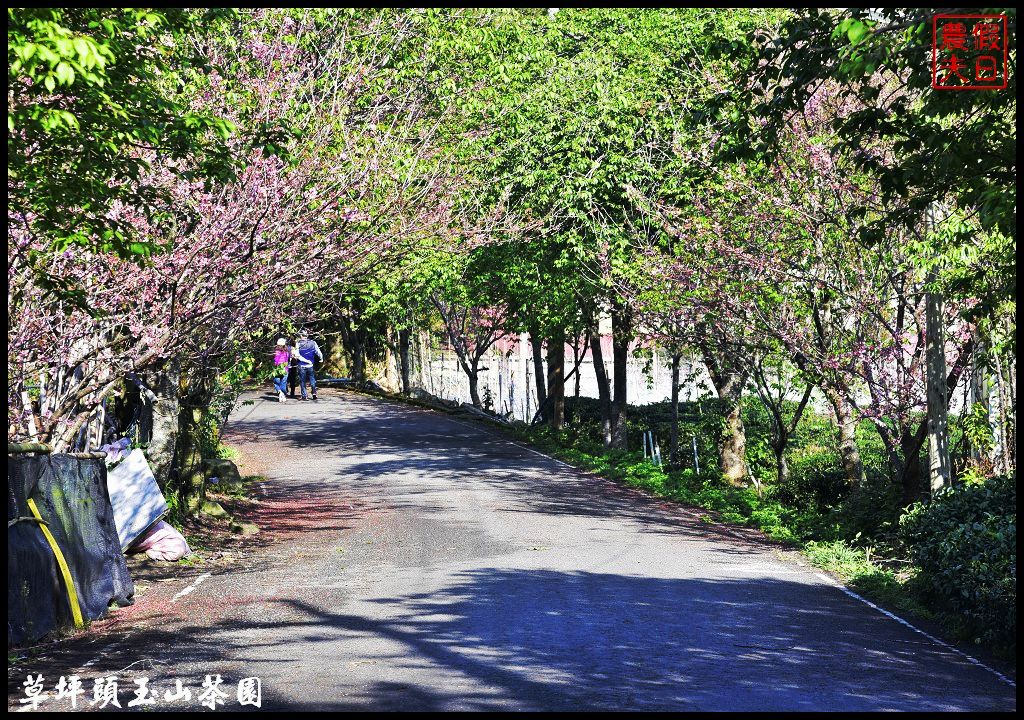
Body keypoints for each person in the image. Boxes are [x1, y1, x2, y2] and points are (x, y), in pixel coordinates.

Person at [296, 329, 324, 400]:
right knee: (312, 379)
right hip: (310, 365)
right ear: (307, 335)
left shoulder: (298, 343)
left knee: (302, 380)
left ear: (301, 335)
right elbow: (318, 352)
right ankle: (314, 392)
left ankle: (304, 395)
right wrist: (321, 359)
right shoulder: (313, 343)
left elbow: (297, 355)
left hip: (301, 365)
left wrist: (305, 360)